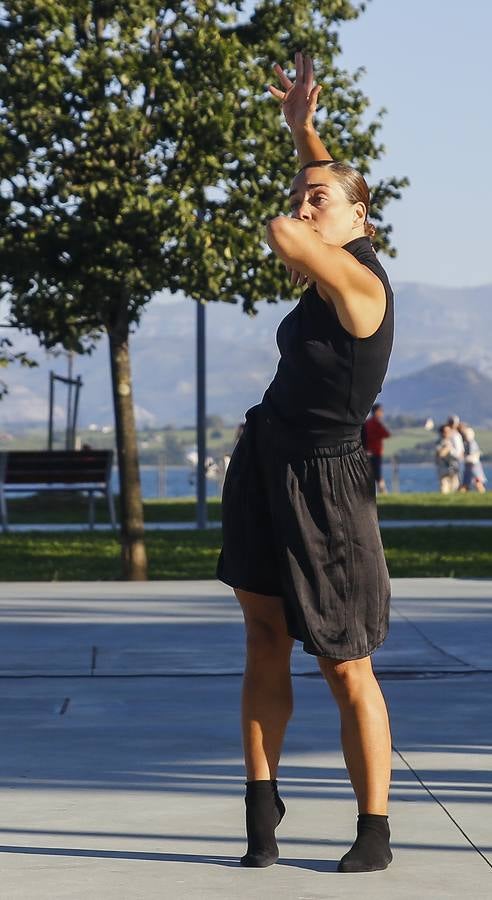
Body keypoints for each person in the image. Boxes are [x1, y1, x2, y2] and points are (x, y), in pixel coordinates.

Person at [216, 52, 394, 874]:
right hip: (267, 464)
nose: (299, 205)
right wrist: (303, 131)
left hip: (327, 484)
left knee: (344, 659)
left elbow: (290, 229)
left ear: (363, 218)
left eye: (319, 196)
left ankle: (374, 830)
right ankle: (262, 811)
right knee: (264, 637)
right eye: (300, 193)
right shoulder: (329, 276)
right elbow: (312, 204)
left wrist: (304, 198)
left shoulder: (362, 287)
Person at [361, 404, 391, 494]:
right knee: (377, 473)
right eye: (381, 411)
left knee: (368, 473)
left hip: (367, 451)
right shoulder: (376, 423)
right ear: (376, 412)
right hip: (376, 452)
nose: (382, 413)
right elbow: (386, 434)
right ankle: (383, 492)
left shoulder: (366, 423)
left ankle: (370, 493)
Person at [458, 425, 487, 493]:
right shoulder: (467, 443)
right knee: (466, 483)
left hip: (473, 466)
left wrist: (463, 458)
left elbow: (473, 456)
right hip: (469, 466)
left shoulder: (471, 443)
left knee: (477, 482)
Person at [435, 424, 461, 493]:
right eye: (445, 431)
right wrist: (448, 448)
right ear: (441, 433)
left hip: (454, 468)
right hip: (443, 469)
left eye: (449, 431)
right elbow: (440, 454)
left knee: (455, 487)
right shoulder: (439, 442)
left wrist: (449, 449)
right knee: (444, 488)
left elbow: (459, 454)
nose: (447, 433)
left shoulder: (454, 440)